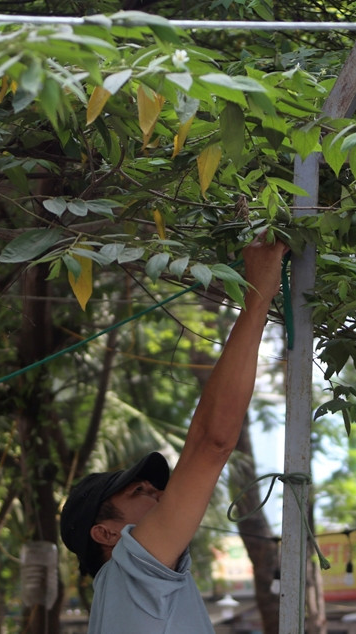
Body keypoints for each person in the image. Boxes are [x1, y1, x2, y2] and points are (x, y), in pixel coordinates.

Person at [60, 236, 288, 634]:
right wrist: (257, 298)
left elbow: (210, 444)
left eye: (147, 491)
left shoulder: (121, 589)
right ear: (107, 535)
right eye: (141, 493)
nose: (164, 495)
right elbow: (210, 444)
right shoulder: (131, 570)